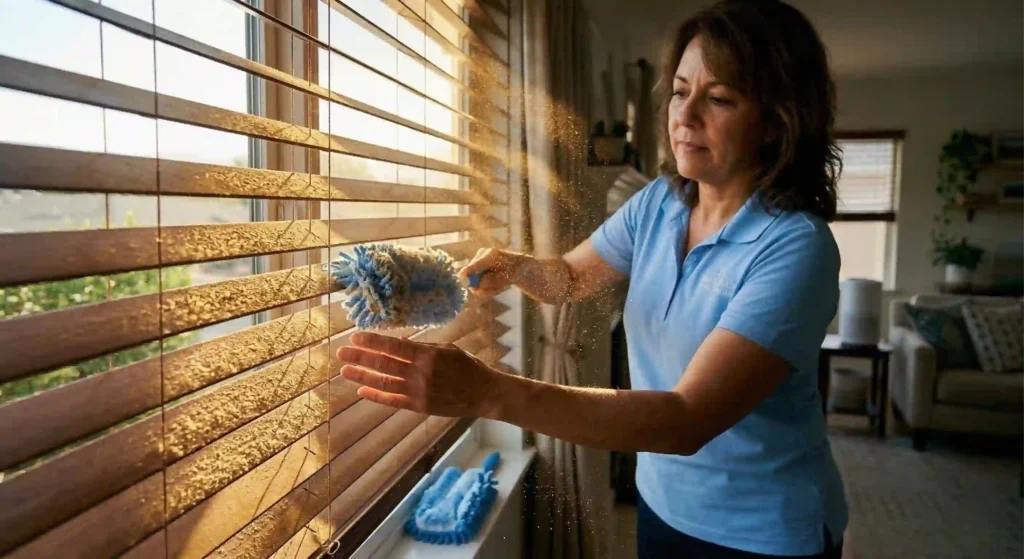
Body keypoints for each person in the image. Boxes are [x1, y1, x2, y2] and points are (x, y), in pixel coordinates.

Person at [337, 1, 847, 557]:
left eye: (719, 98)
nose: (685, 115)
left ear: (777, 122)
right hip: (663, 503)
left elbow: (685, 419)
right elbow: (570, 278)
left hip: (762, 529)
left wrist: (486, 391)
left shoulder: (795, 250)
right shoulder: (659, 204)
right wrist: (516, 266)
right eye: (680, 91)